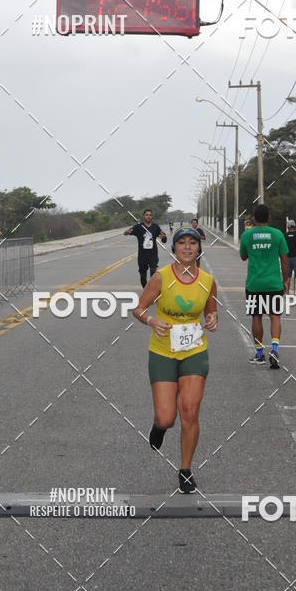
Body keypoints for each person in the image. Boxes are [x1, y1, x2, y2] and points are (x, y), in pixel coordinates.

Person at [133, 227, 218, 493]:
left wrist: (212, 320)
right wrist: (151, 321)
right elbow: (138, 309)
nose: (187, 247)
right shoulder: (162, 277)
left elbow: (211, 311)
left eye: (193, 243)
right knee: (167, 417)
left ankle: (185, 470)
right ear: (174, 248)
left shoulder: (207, 280)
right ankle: (160, 427)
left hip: (194, 351)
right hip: (163, 352)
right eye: (182, 243)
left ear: (198, 248)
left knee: (190, 412)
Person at [240, 204, 289, 369]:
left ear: (254, 219)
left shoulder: (247, 235)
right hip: (274, 283)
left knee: (256, 317)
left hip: (254, 284)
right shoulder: (277, 234)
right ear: (269, 217)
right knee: (275, 316)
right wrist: (286, 279)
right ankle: (274, 349)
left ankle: (260, 353)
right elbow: (284, 259)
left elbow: (243, 256)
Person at [124, 210, 167, 288]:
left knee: (153, 275)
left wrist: (163, 237)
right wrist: (127, 232)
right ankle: (145, 289)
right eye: (147, 215)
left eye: (150, 215)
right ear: (143, 216)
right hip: (142, 256)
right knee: (143, 276)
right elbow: (125, 233)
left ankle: (152, 290)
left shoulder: (155, 227)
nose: (148, 216)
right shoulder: (138, 227)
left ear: (152, 217)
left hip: (153, 255)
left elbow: (164, 240)